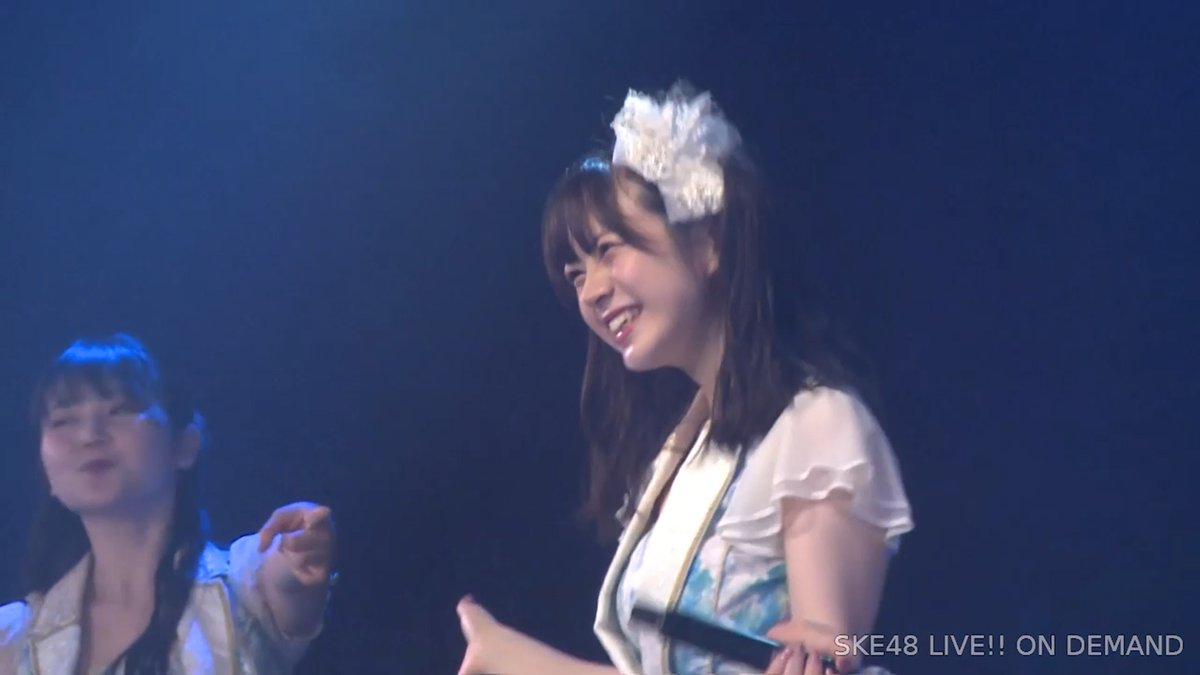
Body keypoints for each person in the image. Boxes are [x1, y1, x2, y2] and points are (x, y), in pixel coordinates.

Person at [456, 82, 915, 675]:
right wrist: (507, 657)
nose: (591, 291)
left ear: (708, 243)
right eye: (575, 275)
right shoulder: (684, 453)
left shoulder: (818, 426)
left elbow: (821, 658)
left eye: (608, 250)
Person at [0, 333, 335, 674]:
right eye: (63, 421)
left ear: (185, 445)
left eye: (119, 410)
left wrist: (302, 548)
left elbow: (289, 580)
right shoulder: (14, 640)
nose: (89, 435)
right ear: (46, 470)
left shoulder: (247, 586)